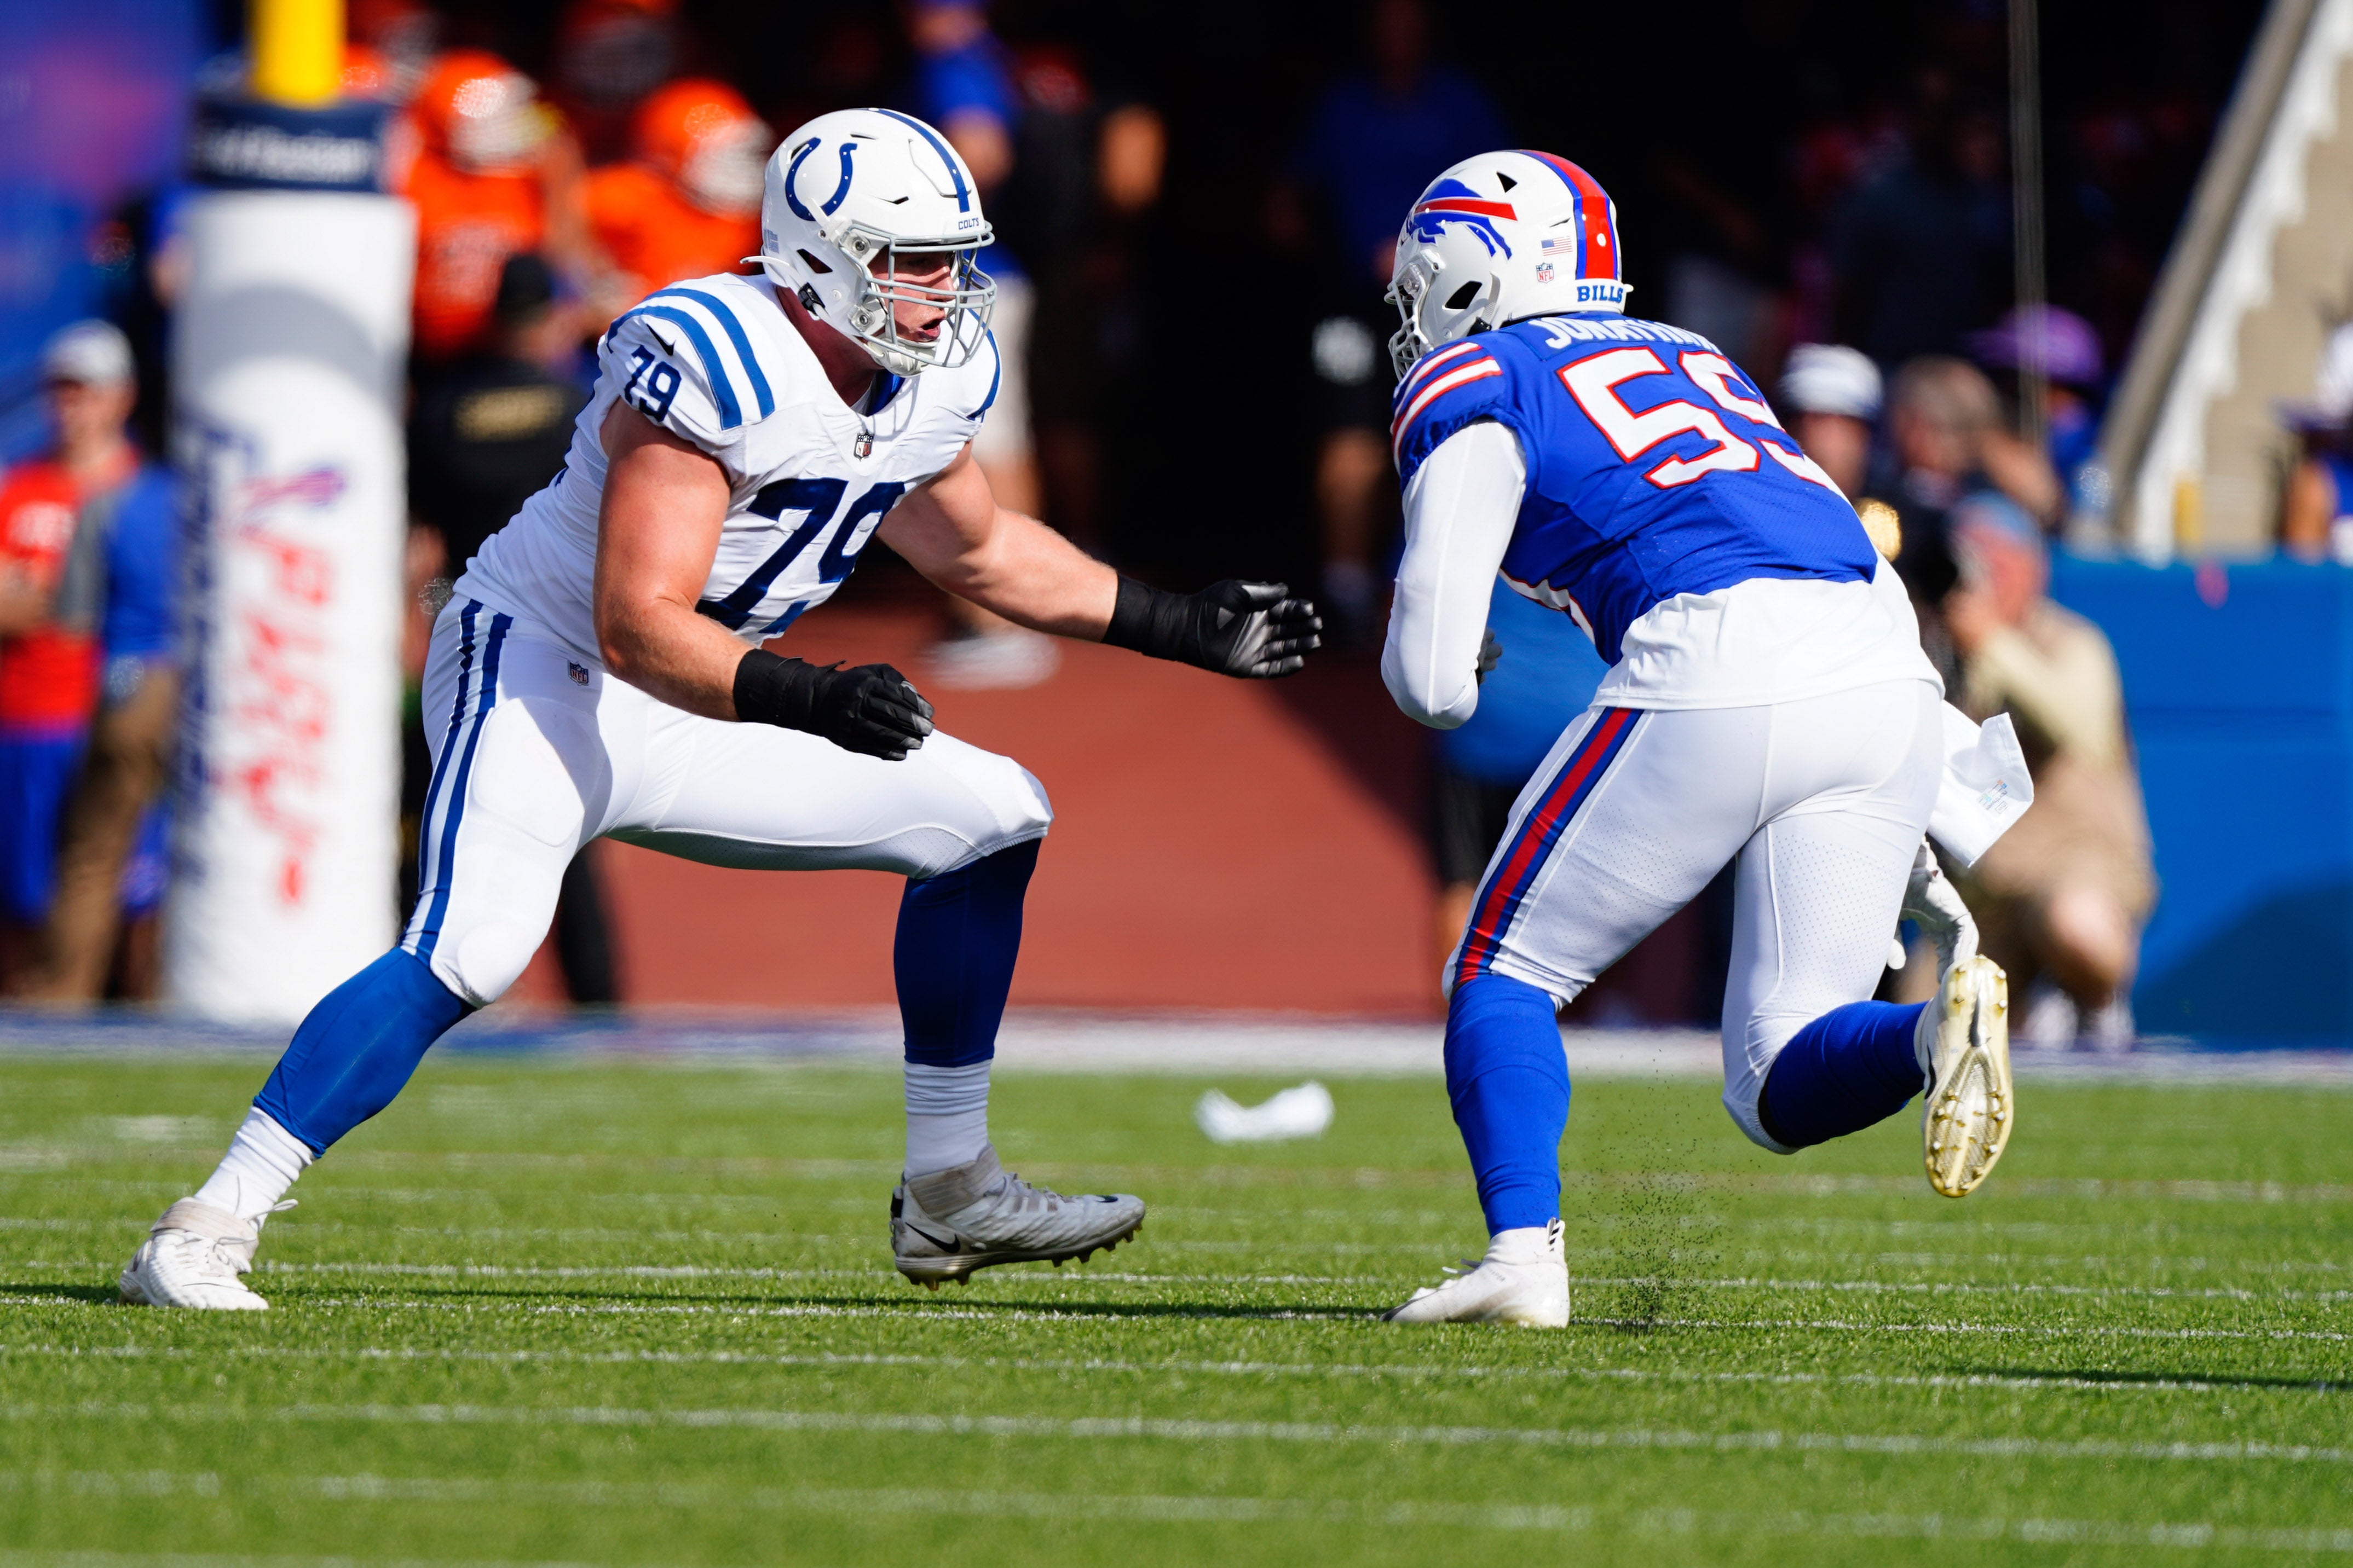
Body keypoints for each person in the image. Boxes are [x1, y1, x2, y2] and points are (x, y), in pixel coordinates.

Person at [118, 108, 1320, 1311]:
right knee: (476, 945)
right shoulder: (715, 355)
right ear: (816, 260)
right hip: (546, 665)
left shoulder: (935, 368)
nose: (945, 290)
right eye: (914, 263)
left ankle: (950, 1188)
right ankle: (206, 1223)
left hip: (703, 684)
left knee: (994, 813)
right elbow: (635, 617)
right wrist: (813, 694)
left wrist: (1175, 624)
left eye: (955, 259)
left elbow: (984, 549)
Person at [1374, 151, 2017, 1327]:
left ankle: (1522, 1257)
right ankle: (1936, 1029)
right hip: (1882, 661)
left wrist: (1452, 655)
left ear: (1473, 268)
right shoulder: (1697, 353)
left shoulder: (1479, 370)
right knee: (1775, 1079)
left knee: (1501, 968)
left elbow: (1425, 682)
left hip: (1721, 646)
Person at [406, 253, 619, 1003]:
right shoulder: (579, 404)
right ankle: (598, 1004)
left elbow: (420, 545)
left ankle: (429, 985)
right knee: (570, 834)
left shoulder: (441, 409)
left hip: (469, 627)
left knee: (447, 816)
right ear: (554, 314)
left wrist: (440, 612)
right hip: (564, 635)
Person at [1286, 0, 1509, 646]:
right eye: (1384, 24)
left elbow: (1509, 199)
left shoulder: (1463, 103)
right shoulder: (1340, 106)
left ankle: (1443, 598)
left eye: (1408, 24)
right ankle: (1348, 595)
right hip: (1355, 306)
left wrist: (1435, 253)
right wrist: (1326, 243)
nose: (1396, 37)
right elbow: (1291, 195)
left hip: (1455, 311)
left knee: (1453, 445)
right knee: (1348, 441)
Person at [1942, 499, 2151, 1048]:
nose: (1978, 580)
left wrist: (1992, 642)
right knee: (1924, 1025)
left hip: (2073, 867)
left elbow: (2080, 728)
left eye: (1993, 564)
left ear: (2030, 569)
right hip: (1989, 894)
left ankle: (2092, 1002)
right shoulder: (1943, 651)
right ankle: (2034, 1004)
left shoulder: (2071, 642)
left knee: (2076, 925)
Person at [11, 323, 180, 1002]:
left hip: (121, 689)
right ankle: (172, 1007)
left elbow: (66, 611)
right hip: (179, 695)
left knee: (91, 866)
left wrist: (27, 589)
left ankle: (61, 1001)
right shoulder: (211, 501)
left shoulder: (116, 502)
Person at [902, 0, 1059, 690]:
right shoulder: (981, 59)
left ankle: (1006, 619)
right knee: (994, 439)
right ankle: (1008, 613)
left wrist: (906, 211)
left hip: (967, 286)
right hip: (982, 280)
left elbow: (982, 150)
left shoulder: (954, 64)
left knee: (980, 443)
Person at [402, 50, 592, 365]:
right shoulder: (412, 177)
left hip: (514, 351)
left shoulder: (531, 173)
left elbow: (566, 256)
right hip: (431, 353)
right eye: (495, 114)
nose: (512, 121)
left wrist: (560, 176)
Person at [584, 79, 770, 311]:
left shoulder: (750, 219)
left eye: (739, 153)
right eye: (720, 156)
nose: (738, 167)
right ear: (667, 156)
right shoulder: (622, 196)